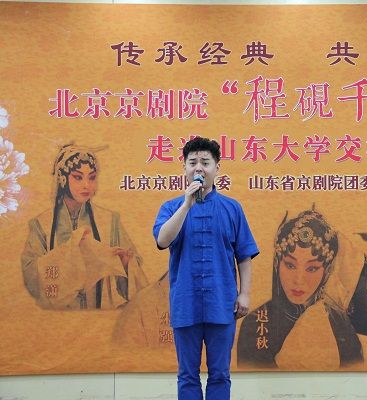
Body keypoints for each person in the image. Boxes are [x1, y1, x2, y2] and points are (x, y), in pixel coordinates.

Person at [153, 137, 259, 400]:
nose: (198, 168)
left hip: (222, 304)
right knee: (187, 375)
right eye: (192, 163)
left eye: (205, 162)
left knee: (220, 374)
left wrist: (244, 294)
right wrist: (186, 205)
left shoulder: (232, 208)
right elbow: (162, 240)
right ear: (184, 168)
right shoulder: (171, 207)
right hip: (185, 304)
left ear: (217, 168)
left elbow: (244, 256)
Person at [21, 144, 148, 310]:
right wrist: (71, 251)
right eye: (78, 177)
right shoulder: (42, 223)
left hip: (98, 318)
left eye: (92, 177)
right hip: (59, 320)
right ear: (62, 179)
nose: (86, 185)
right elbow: (31, 275)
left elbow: (133, 279)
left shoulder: (109, 220)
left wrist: (125, 264)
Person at [237, 208, 363, 370]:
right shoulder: (256, 323)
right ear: (277, 263)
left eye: (312, 268)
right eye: (290, 265)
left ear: (326, 271)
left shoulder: (339, 322)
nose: (298, 280)